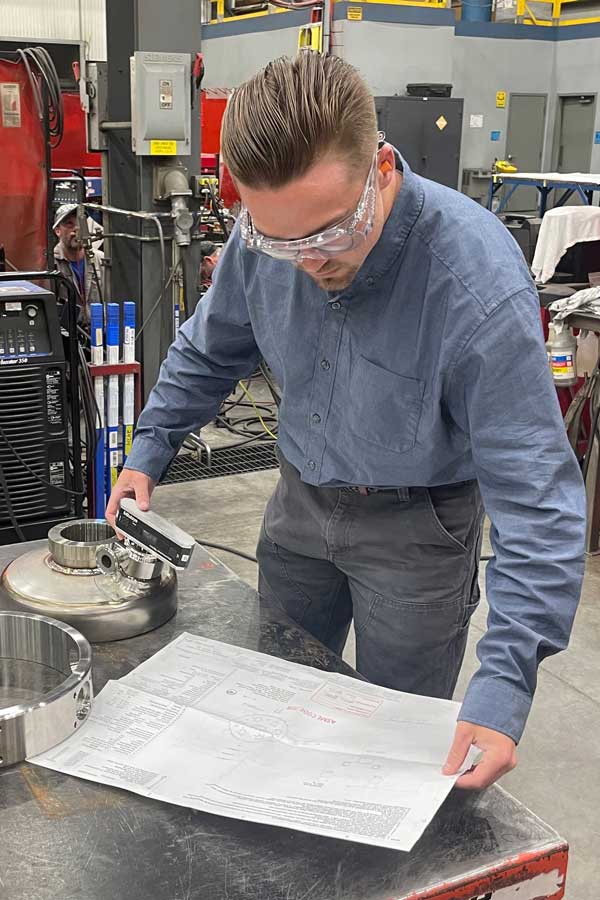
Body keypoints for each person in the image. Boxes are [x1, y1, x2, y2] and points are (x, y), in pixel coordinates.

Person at [107, 53, 586, 790]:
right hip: (298, 507)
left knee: (390, 754)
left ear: (384, 168)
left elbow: (537, 503)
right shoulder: (269, 231)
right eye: (279, 240)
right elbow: (210, 348)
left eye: (329, 234)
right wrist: (149, 449)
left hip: (416, 534)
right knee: (276, 708)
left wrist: (504, 686)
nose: (305, 262)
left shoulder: (474, 286)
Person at [53, 203, 103, 321]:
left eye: (80, 223)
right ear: (58, 231)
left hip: (100, 332)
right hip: (67, 335)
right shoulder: (51, 264)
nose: (76, 229)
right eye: (69, 224)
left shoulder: (100, 260)